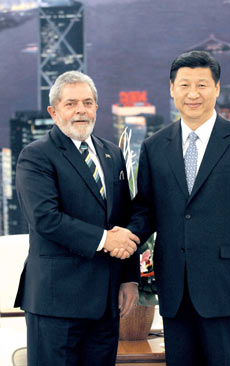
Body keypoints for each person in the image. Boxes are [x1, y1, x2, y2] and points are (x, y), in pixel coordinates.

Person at [128, 51, 230, 365]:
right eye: (184, 85)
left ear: (217, 88)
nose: (192, 94)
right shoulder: (154, 147)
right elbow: (146, 210)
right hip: (175, 289)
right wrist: (122, 236)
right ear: (171, 89)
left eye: (202, 85)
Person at [14, 71, 140, 366]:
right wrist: (106, 239)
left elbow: (123, 218)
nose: (80, 110)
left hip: (106, 304)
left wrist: (130, 279)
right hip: (56, 303)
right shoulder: (36, 155)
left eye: (87, 102)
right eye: (71, 103)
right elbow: (45, 219)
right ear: (54, 111)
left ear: (97, 107)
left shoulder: (112, 153)